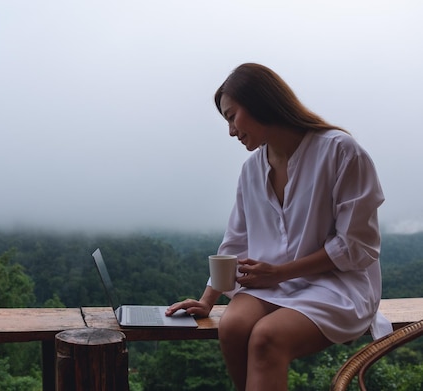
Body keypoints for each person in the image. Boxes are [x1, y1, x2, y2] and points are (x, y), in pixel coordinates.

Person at [165, 63, 392, 391]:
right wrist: (208, 300)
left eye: (232, 116)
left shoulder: (340, 152)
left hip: (338, 284)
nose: (231, 130)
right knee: (232, 327)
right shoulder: (251, 171)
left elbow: (358, 246)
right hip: (271, 284)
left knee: (267, 338)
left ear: (260, 103)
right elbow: (235, 243)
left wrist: (282, 272)